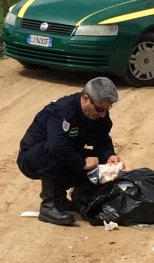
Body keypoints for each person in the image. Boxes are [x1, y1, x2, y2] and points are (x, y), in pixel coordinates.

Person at [17, 77, 124, 226]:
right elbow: (57, 145)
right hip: (33, 159)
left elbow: (102, 139)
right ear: (85, 99)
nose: (103, 115)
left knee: (95, 160)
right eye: (100, 109)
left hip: (64, 154)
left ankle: (68, 199)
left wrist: (109, 155)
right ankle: (49, 204)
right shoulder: (62, 111)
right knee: (55, 149)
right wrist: (81, 163)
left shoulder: (100, 114)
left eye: (108, 109)